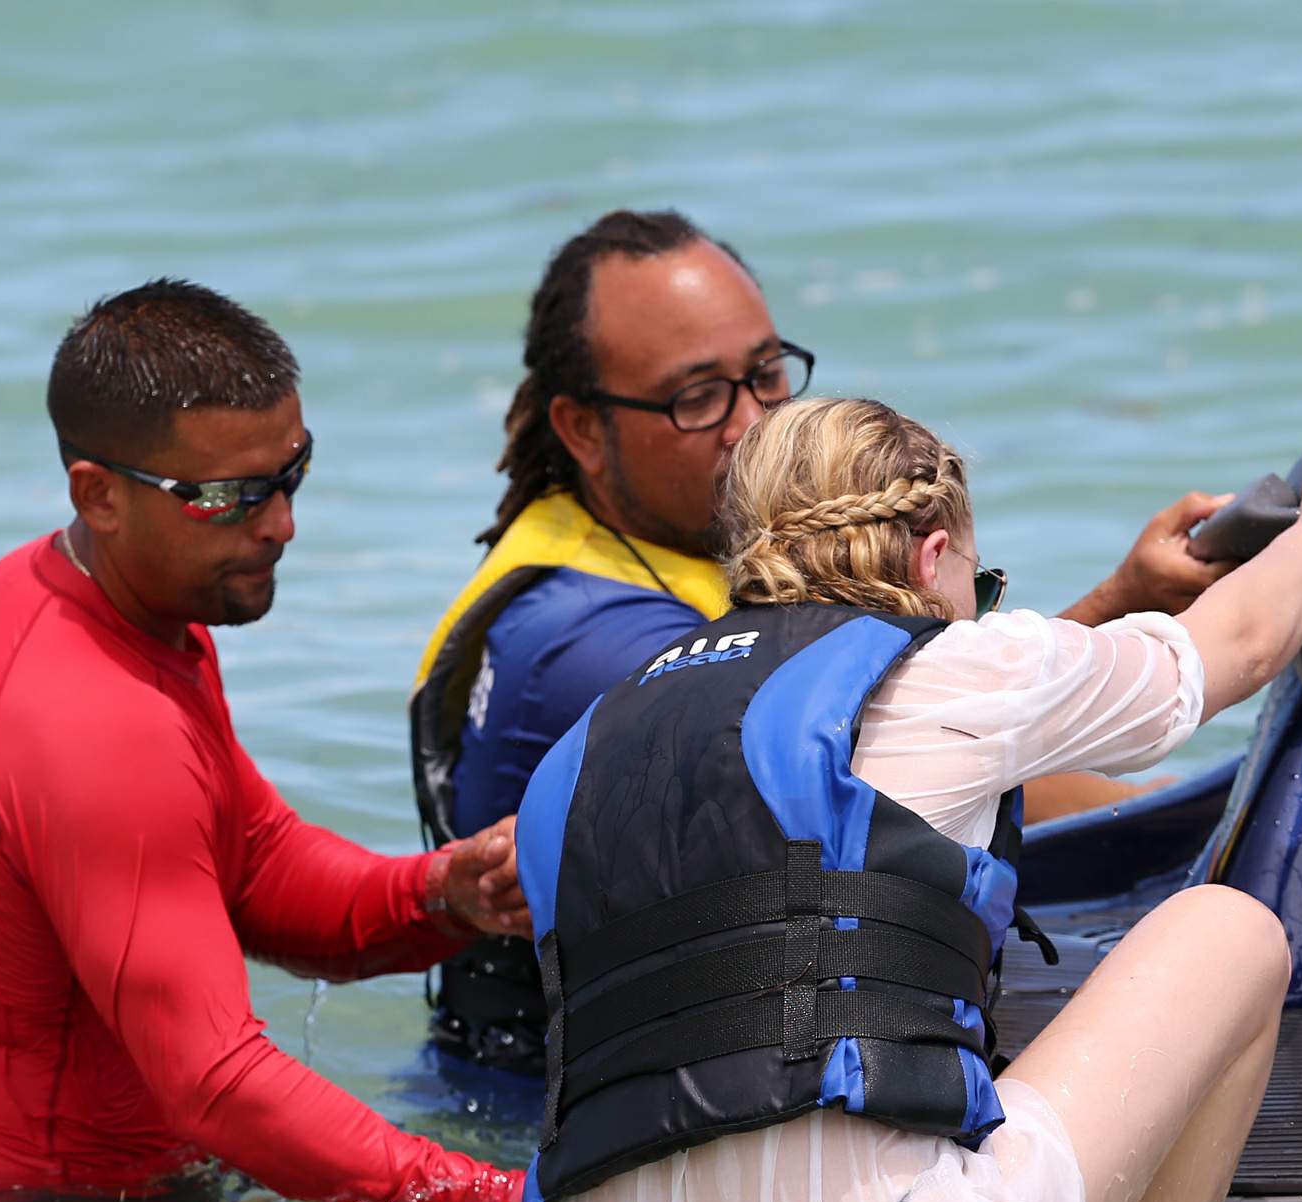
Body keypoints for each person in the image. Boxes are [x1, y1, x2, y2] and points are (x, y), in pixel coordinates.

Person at [512, 398, 1302, 1202]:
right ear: (931, 553)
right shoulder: (951, 668)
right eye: (978, 590)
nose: (978, 616)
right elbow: (1240, 644)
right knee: (1229, 931)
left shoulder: (586, 748)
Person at [412, 209, 1244, 1074]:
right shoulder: (589, 642)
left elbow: (900, 713)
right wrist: (1133, 662)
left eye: (766, 373)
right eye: (698, 397)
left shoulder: (652, 545)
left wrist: (1129, 601)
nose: (752, 421)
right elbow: (898, 743)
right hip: (534, 1104)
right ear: (582, 429)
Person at [0, 280, 530, 1202]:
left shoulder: (93, 604)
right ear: (99, 494)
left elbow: (254, 865)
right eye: (226, 498)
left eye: (291, 473)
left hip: (1, 1196)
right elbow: (216, 1084)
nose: (280, 523)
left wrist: (442, 893)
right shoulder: (95, 720)